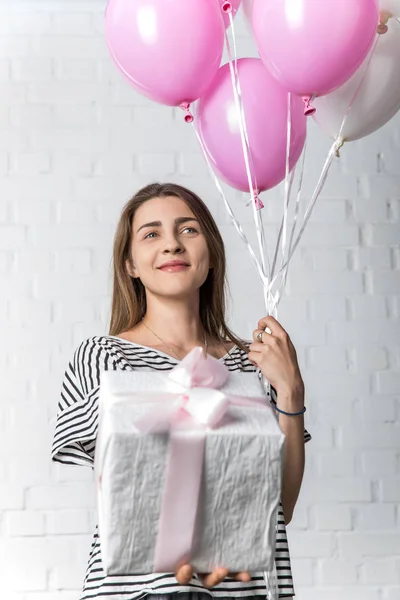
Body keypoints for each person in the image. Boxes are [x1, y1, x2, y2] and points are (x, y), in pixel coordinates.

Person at [52, 182, 311, 600]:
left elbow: (278, 506)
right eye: (151, 234)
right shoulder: (105, 359)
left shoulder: (253, 363)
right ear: (131, 264)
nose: (171, 244)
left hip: (242, 590)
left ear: (210, 257)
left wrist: (291, 393)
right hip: (139, 591)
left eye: (188, 230)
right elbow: (129, 488)